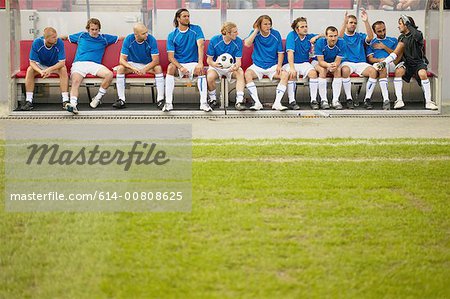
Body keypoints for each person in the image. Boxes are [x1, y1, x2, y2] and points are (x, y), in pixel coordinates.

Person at [373, 15, 438, 110]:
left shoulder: (418, 34)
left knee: (423, 73)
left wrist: (408, 24)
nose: (398, 26)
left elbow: (416, 35)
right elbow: (397, 54)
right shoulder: (401, 38)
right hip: (406, 63)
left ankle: (428, 102)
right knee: (398, 72)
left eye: (400, 24)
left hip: (418, 63)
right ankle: (399, 100)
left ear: (407, 25)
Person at [61, 18, 119, 113]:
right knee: (75, 82)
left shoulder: (104, 38)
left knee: (109, 75)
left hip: (94, 65)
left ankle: (97, 99)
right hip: (79, 64)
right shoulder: (81, 35)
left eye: (96, 29)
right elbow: (65, 37)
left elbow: (120, 38)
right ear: (88, 29)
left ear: (99, 29)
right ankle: (73, 105)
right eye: (92, 29)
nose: (94, 32)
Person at [164, 9, 210, 112]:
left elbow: (201, 45)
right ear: (178, 18)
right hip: (180, 64)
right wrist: (180, 67)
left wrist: (200, 63)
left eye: (188, 16)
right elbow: (170, 57)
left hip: (193, 63)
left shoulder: (196, 29)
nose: (187, 18)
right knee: (170, 67)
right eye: (184, 16)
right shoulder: (172, 35)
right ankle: (168, 103)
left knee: (201, 69)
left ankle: (204, 103)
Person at [244, 15, 288, 111]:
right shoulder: (255, 33)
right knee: (247, 74)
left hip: (272, 65)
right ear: (260, 25)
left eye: (269, 24)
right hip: (257, 65)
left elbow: (280, 52)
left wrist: (279, 66)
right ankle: (257, 103)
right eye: (265, 24)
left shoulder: (275, 34)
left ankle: (277, 103)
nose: (268, 26)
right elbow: (247, 44)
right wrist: (256, 30)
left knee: (284, 75)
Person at [115, 23, 164, 109]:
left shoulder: (151, 39)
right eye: (143, 33)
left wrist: (145, 69)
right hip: (133, 64)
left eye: (146, 32)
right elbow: (121, 60)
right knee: (120, 68)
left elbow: (156, 60)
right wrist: (132, 68)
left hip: (147, 64)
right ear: (136, 35)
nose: (146, 35)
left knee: (158, 68)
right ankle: (121, 100)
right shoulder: (129, 39)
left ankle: (160, 100)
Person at [21, 27, 69, 112]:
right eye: (53, 37)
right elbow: (32, 62)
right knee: (30, 70)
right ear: (46, 38)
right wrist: (41, 71)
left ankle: (65, 101)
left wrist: (49, 70)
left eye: (56, 36)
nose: (56, 39)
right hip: (41, 66)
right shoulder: (37, 42)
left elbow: (62, 63)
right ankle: (29, 101)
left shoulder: (59, 42)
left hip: (55, 66)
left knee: (63, 69)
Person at [339, 9, 377, 109]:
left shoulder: (360, 36)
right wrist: (344, 22)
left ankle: (367, 99)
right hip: (347, 63)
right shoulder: (342, 37)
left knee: (373, 71)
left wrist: (366, 21)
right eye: (351, 22)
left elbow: (370, 37)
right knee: (345, 70)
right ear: (346, 24)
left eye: (355, 23)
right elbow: (339, 37)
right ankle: (349, 98)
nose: (353, 25)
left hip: (361, 63)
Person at [283, 17, 323, 110]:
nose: (305, 28)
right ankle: (292, 101)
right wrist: (292, 68)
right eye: (302, 27)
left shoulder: (309, 36)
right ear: (297, 29)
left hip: (304, 63)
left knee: (313, 73)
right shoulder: (291, 35)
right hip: (291, 63)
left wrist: (316, 37)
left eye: (306, 26)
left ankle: (313, 100)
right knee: (292, 74)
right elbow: (290, 53)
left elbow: (325, 34)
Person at [206, 22, 246, 110]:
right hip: (217, 66)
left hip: (231, 67)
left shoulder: (238, 41)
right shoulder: (215, 40)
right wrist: (214, 64)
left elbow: (238, 62)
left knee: (240, 73)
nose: (237, 33)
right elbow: (209, 60)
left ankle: (239, 101)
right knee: (210, 77)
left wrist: (235, 67)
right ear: (227, 33)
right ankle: (213, 99)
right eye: (235, 32)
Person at [367, 20, 405, 110]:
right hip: (378, 66)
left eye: (384, 30)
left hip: (392, 64)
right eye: (379, 31)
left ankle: (398, 100)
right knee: (382, 67)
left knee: (389, 67)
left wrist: (384, 47)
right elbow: (370, 59)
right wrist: (379, 60)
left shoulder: (393, 40)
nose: (383, 33)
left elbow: (397, 55)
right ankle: (386, 100)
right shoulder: (372, 43)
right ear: (375, 32)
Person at [313, 26, 346, 110]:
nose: (333, 38)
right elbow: (320, 61)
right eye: (331, 36)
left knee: (337, 70)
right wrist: (328, 66)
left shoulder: (342, 43)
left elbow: (337, 61)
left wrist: (334, 66)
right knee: (322, 70)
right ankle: (324, 100)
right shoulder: (320, 42)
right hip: (318, 61)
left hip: (332, 62)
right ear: (326, 36)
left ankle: (335, 100)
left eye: (335, 36)